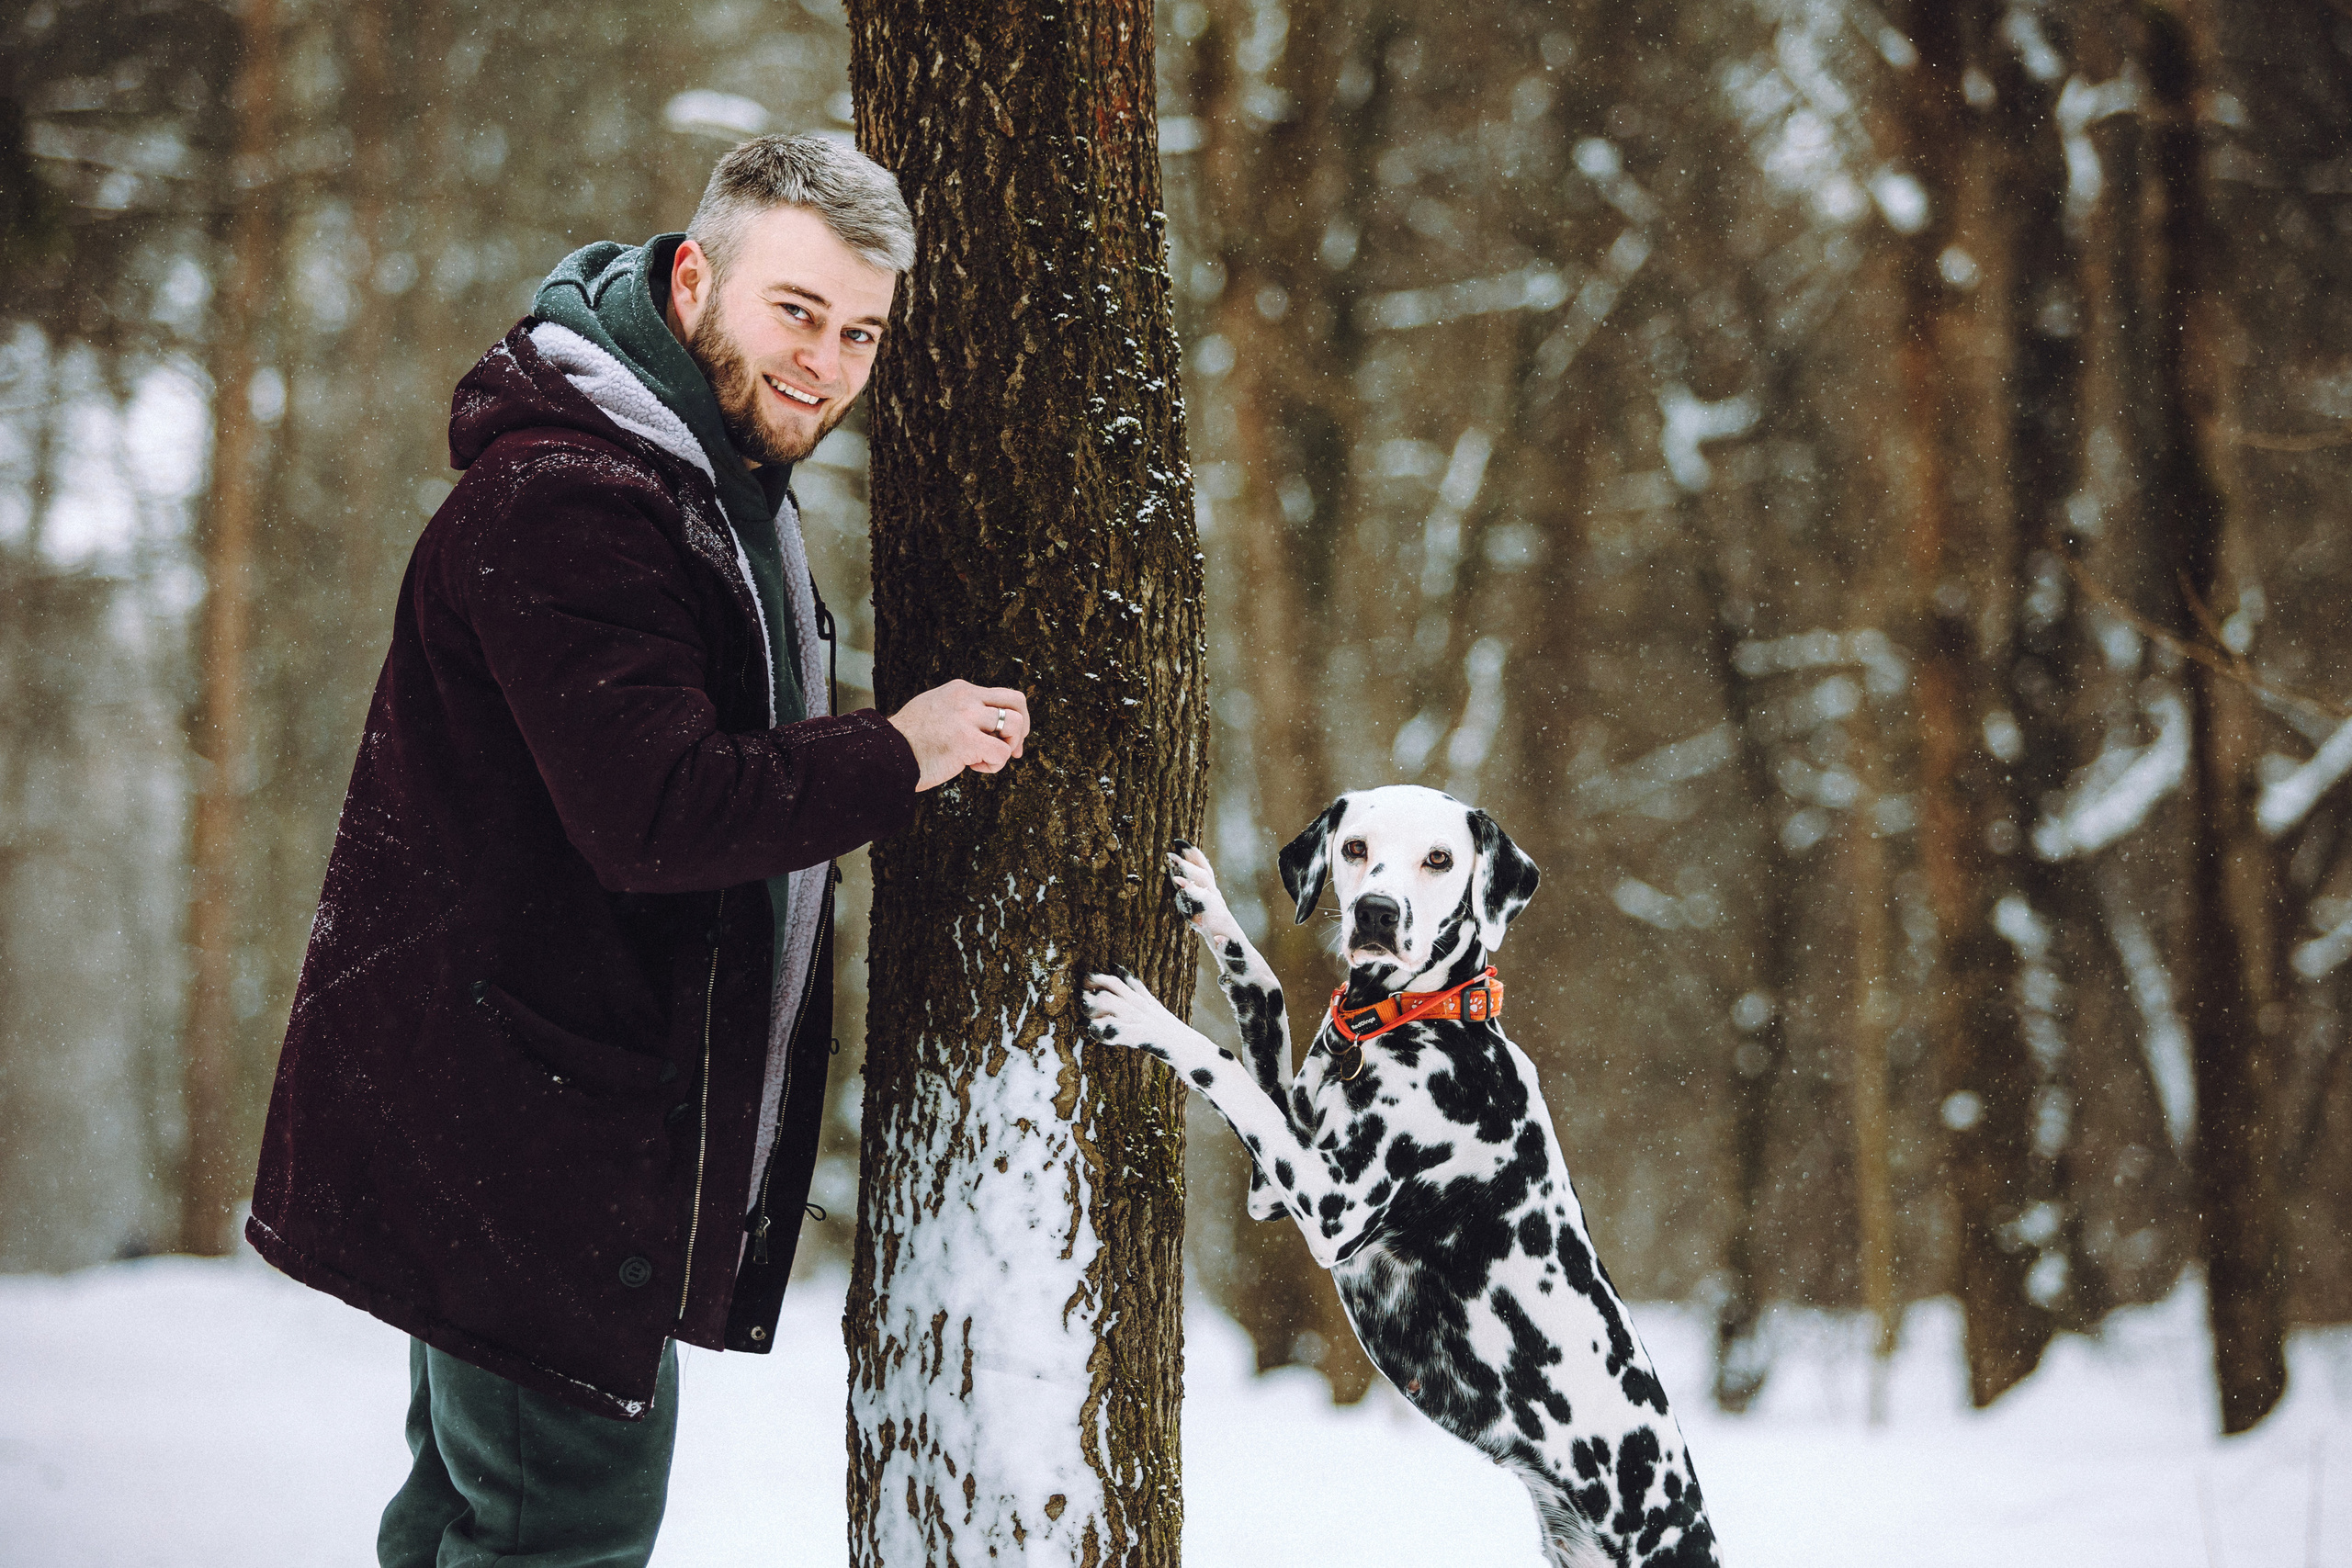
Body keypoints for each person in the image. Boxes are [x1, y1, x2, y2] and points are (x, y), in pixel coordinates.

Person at [243, 134, 1023, 1568]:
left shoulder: (690, 480)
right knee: (561, 1529)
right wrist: (900, 749)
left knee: (475, 1518)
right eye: (796, 310)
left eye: (859, 333)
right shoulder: (572, 502)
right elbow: (656, 809)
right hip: (516, 1126)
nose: (827, 363)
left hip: (517, 1112)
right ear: (693, 276)